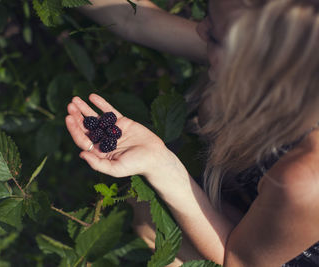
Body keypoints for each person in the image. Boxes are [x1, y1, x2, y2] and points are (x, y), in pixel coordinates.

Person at [65, 0, 319, 266]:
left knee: (151, 222)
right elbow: (137, 19)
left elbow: (238, 260)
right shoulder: (292, 58)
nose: (199, 31)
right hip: (267, 198)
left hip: (266, 254)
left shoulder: (307, 180)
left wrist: (162, 166)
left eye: (214, 35)